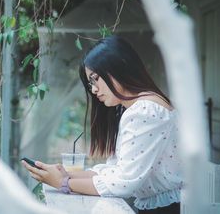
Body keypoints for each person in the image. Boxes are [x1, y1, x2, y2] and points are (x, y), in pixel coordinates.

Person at [22, 36, 182, 214]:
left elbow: (123, 183)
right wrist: (67, 174)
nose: (93, 89)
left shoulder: (144, 111)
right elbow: (115, 170)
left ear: (118, 67)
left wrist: (63, 183)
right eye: (90, 83)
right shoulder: (144, 107)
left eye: (95, 79)